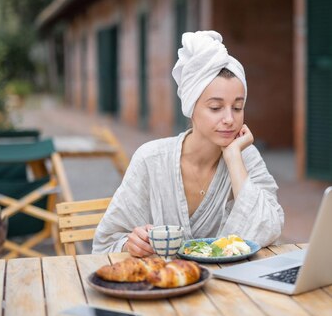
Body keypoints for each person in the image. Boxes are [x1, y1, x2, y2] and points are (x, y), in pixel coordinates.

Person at [93, 30, 285, 256]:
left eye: (237, 107)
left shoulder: (245, 156)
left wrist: (233, 158)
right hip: (164, 284)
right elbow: (105, 243)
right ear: (191, 107)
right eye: (215, 108)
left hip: (229, 288)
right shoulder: (151, 160)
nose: (229, 120)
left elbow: (269, 227)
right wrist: (130, 244)